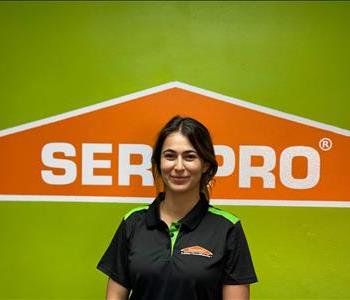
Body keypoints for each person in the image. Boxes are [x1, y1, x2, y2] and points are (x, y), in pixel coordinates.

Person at [97, 116, 257, 300]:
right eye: (170, 156)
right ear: (158, 162)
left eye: (190, 157)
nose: (178, 166)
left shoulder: (227, 228)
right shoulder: (133, 222)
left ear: (205, 164)